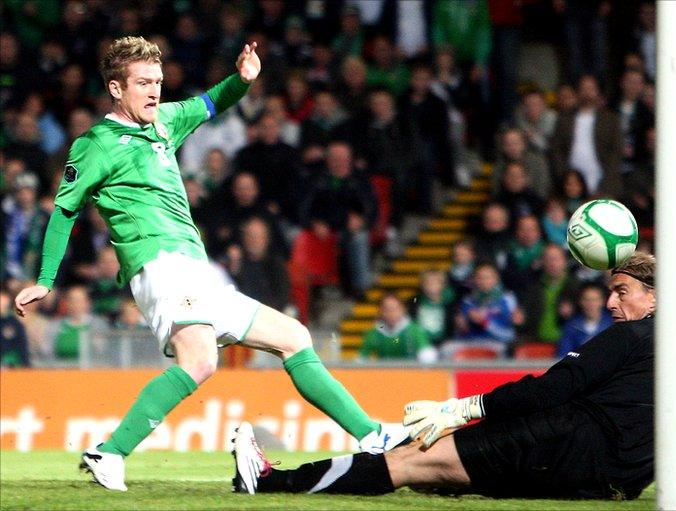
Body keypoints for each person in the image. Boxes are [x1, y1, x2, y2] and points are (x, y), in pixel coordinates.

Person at [14, 36, 405, 493]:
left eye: (157, 81)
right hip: (157, 262)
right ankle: (111, 452)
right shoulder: (96, 144)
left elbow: (210, 102)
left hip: (194, 268)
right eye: (143, 83)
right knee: (199, 359)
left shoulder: (164, 122)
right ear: (116, 89)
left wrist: (241, 80)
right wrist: (44, 280)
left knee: (294, 338)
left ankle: (374, 436)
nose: (154, 91)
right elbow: (64, 211)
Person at [229, 252, 676, 501]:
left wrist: (464, 408)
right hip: (611, 485)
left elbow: (552, 389)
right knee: (440, 475)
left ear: (655, 298)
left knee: (414, 461)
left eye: (621, 291)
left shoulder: (634, 336)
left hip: (566, 445)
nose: (610, 302)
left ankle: (275, 480)